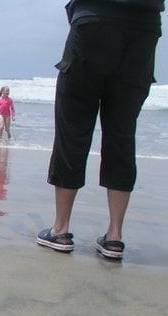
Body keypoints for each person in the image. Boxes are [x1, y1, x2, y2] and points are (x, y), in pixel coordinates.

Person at [37, 0, 164, 260]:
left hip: (95, 18)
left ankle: (60, 229)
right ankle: (114, 236)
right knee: (122, 133)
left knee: (73, 128)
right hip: (144, 25)